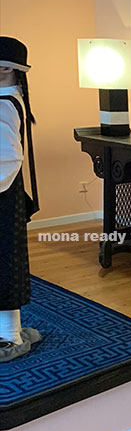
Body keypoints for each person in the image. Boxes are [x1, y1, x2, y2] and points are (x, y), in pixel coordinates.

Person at [0, 37, 41, 362]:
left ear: (8, 70)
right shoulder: (12, 99)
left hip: (2, 193)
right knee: (6, 259)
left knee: (4, 260)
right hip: (7, 192)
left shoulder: (4, 105)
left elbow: (8, 158)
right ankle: (9, 331)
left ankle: (9, 336)